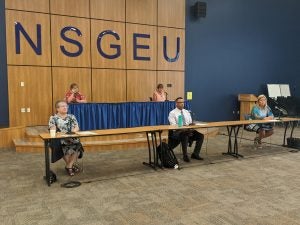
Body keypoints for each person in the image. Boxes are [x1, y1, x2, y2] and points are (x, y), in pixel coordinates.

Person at [49, 100, 83, 176]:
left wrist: (73, 132)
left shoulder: (71, 116)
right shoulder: (53, 118)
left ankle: (69, 166)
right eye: (63, 106)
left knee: (78, 146)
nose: (65, 107)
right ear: (57, 109)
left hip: (72, 138)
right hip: (61, 140)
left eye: (66, 106)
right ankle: (70, 167)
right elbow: (52, 129)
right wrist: (62, 134)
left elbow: (76, 127)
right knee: (64, 147)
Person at [168, 97, 204, 162]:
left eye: (183, 102)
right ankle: (185, 156)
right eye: (180, 102)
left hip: (188, 130)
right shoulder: (172, 113)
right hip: (177, 132)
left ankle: (195, 154)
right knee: (184, 135)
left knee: (200, 135)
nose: (182, 104)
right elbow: (173, 125)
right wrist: (183, 127)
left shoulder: (186, 111)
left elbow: (189, 122)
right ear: (176, 104)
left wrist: (192, 124)